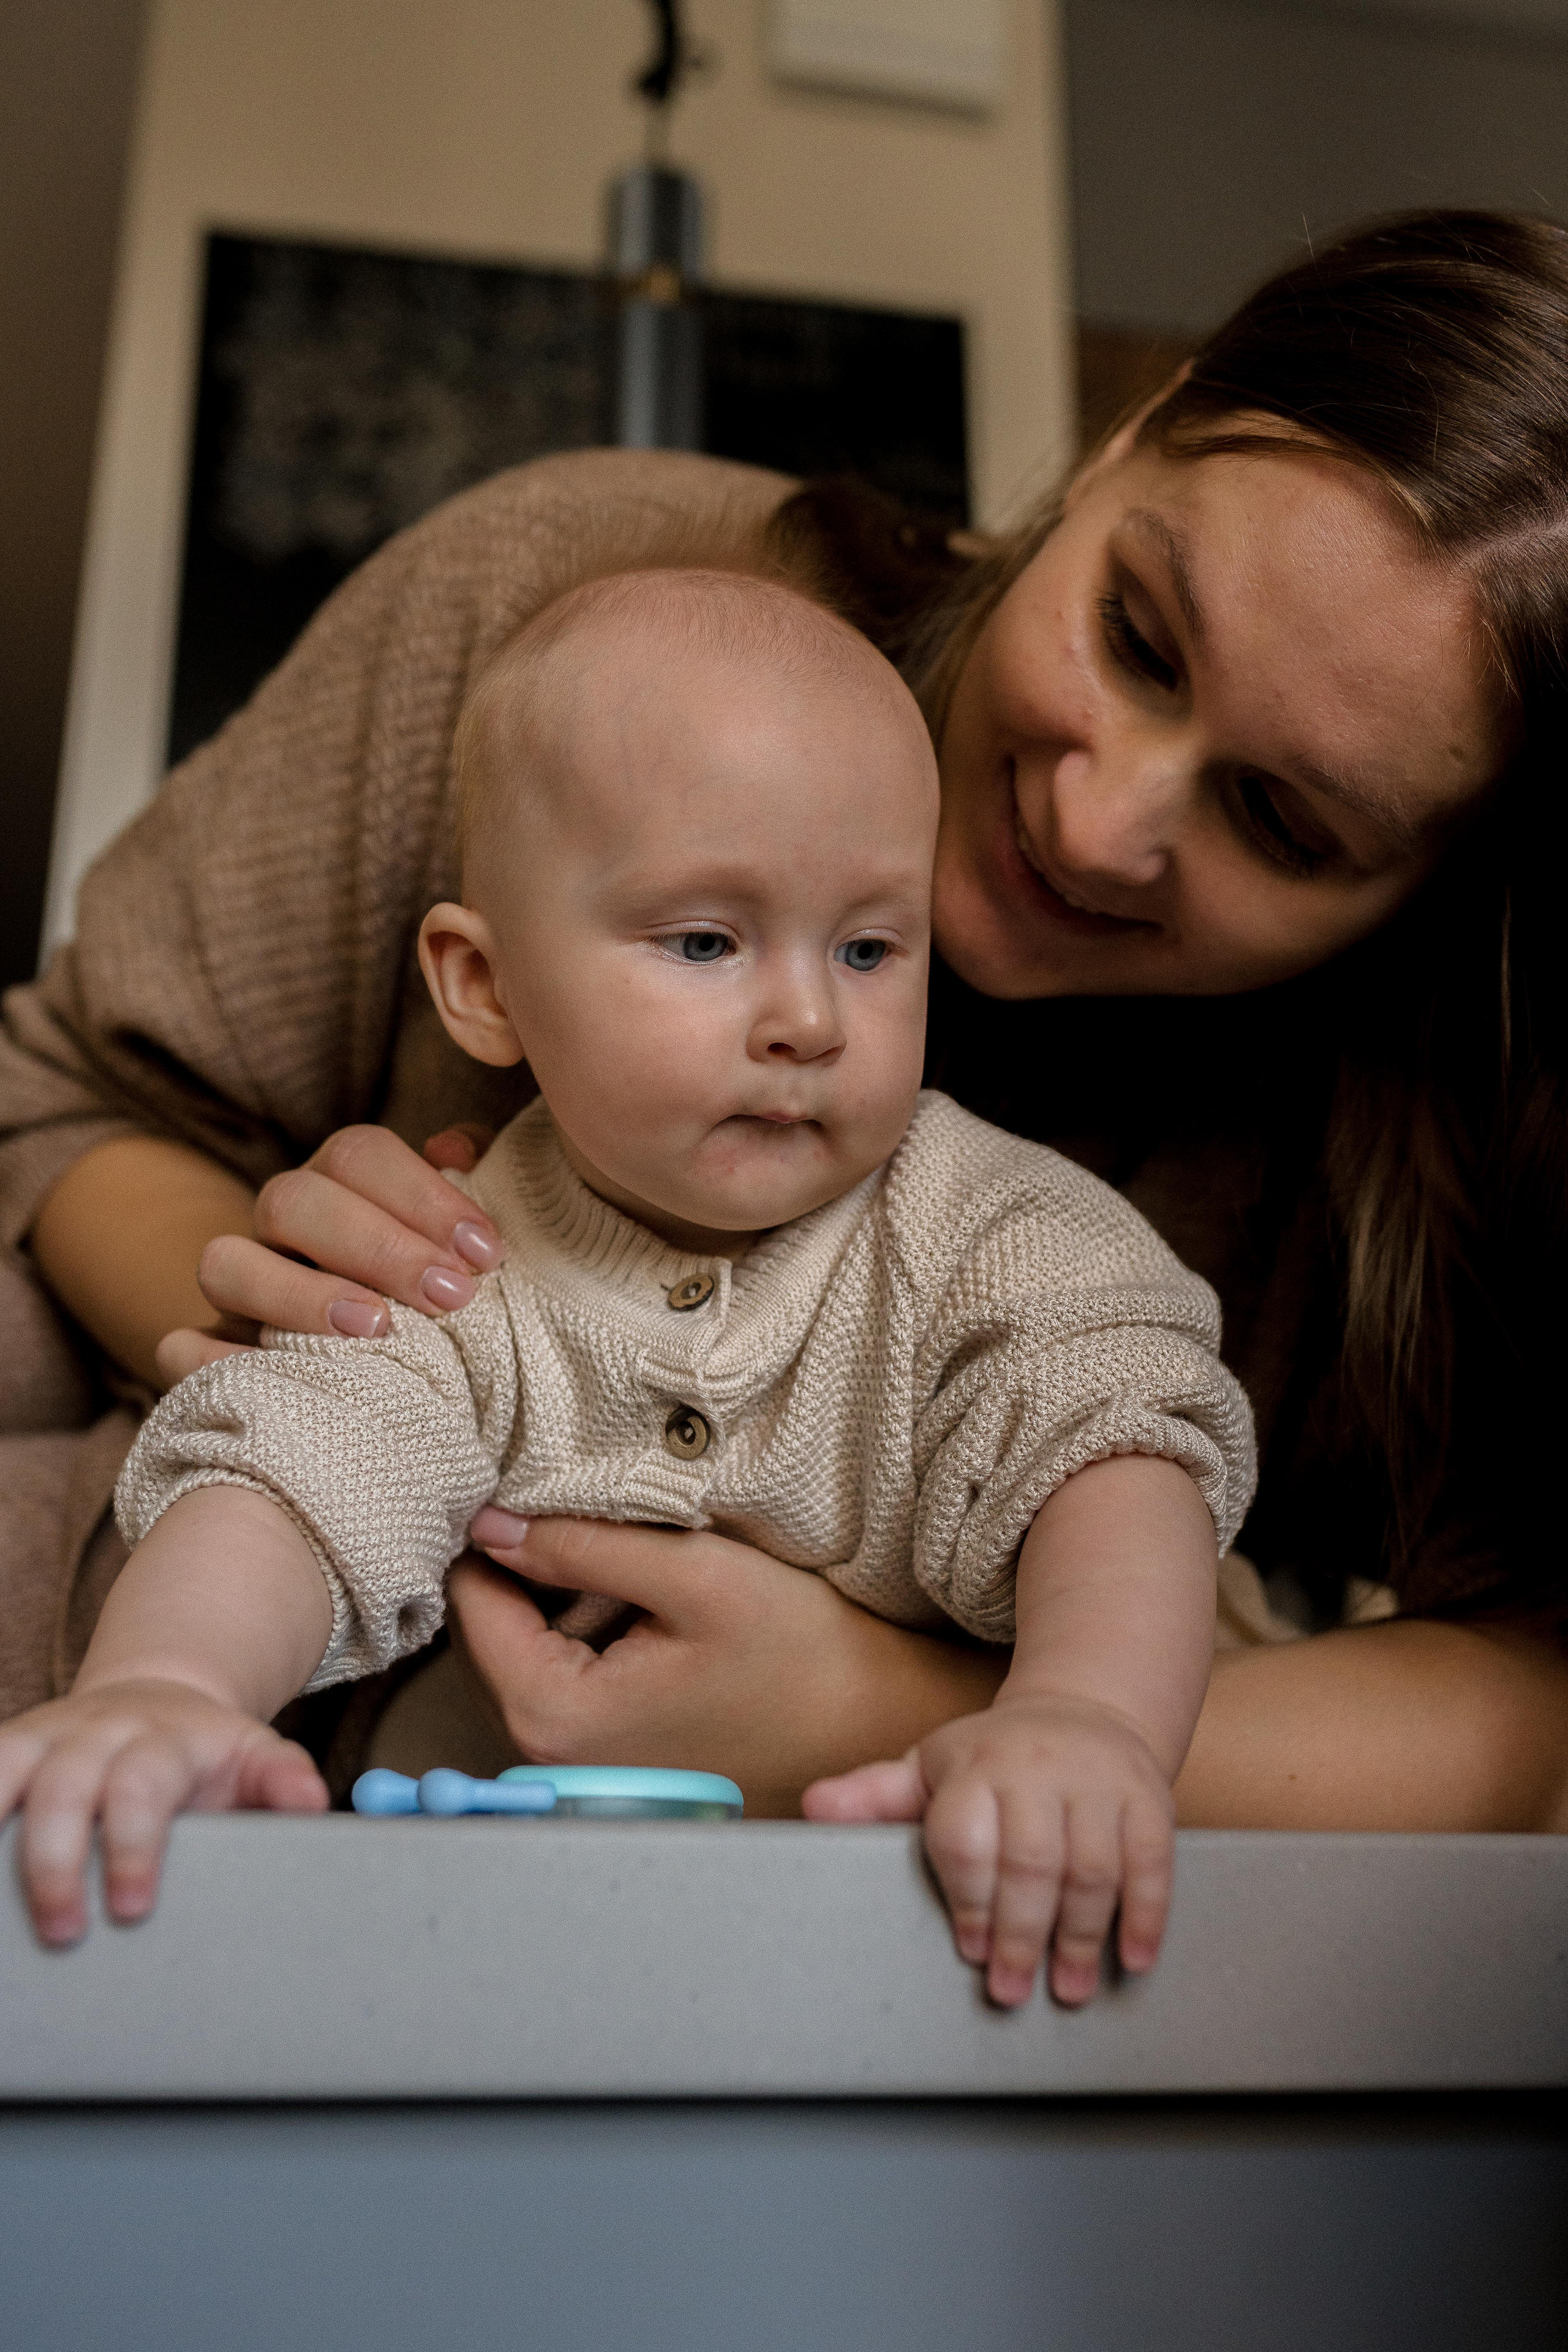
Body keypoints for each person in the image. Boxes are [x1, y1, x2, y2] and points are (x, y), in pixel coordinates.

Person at [4, 208, 1567, 1847]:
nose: (1103, 823)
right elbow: (254, 1397)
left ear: (1429, 901)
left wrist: (957, 1715)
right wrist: (182, 1646)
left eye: (1283, 822)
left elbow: (1137, 1457)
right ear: (1122, 443)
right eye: (1138, 636)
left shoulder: (1024, 1252)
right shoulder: (568, 645)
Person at [2, 570, 1254, 2000]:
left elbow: (1122, 1455)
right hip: (483, 1962)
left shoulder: (996, 1239)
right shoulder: (455, 1262)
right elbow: (290, 1481)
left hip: (904, 1953)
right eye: (707, 942)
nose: (806, 1020)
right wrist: (169, 1688)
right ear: (482, 985)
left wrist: (1082, 1718)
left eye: (866, 947)